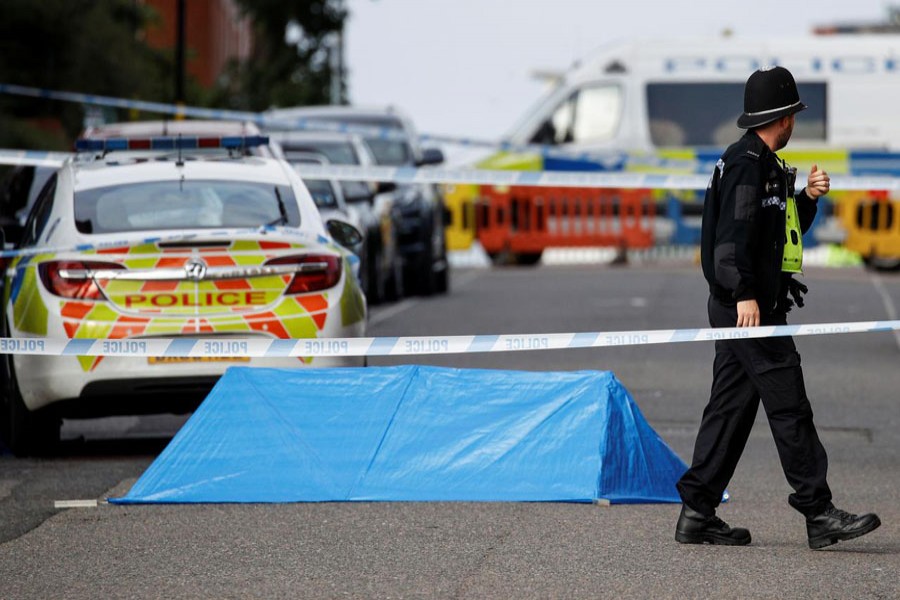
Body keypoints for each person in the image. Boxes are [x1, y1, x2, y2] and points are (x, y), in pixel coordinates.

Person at [674, 66, 881, 550]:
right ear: (783, 118)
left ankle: (697, 513)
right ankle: (818, 512)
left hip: (742, 305)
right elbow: (731, 243)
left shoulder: (760, 164)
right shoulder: (748, 165)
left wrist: (807, 198)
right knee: (789, 403)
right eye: (793, 115)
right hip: (748, 309)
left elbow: (778, 237)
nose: (795, 125)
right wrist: (745, 293)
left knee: (730, 410)